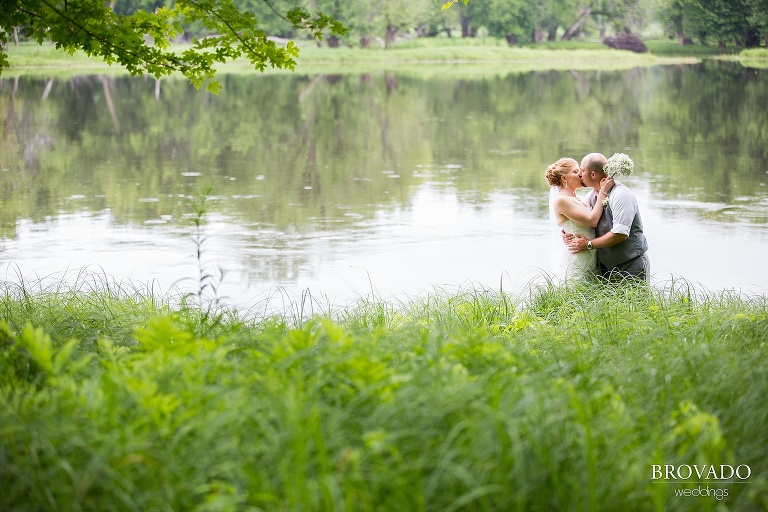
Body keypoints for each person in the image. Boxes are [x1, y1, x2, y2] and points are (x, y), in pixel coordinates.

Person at [565, 152, 650, 281]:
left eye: (582, 170)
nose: (580, 174)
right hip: (605, 268)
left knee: (635, 301)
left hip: (630, 264)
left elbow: (620, 234)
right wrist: (568, 233)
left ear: (593, 174)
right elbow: (583, 221)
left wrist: (588, 244)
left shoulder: (621, 195)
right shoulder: (591, 196)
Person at [545, 157, 614, 281]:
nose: (581, 175)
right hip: (577, 259)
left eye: (581, 171)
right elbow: (592, 220)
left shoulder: (580, 199)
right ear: (564, 178)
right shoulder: (561, 200)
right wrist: (603, 191)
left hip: (589, 255)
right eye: (576, 172)